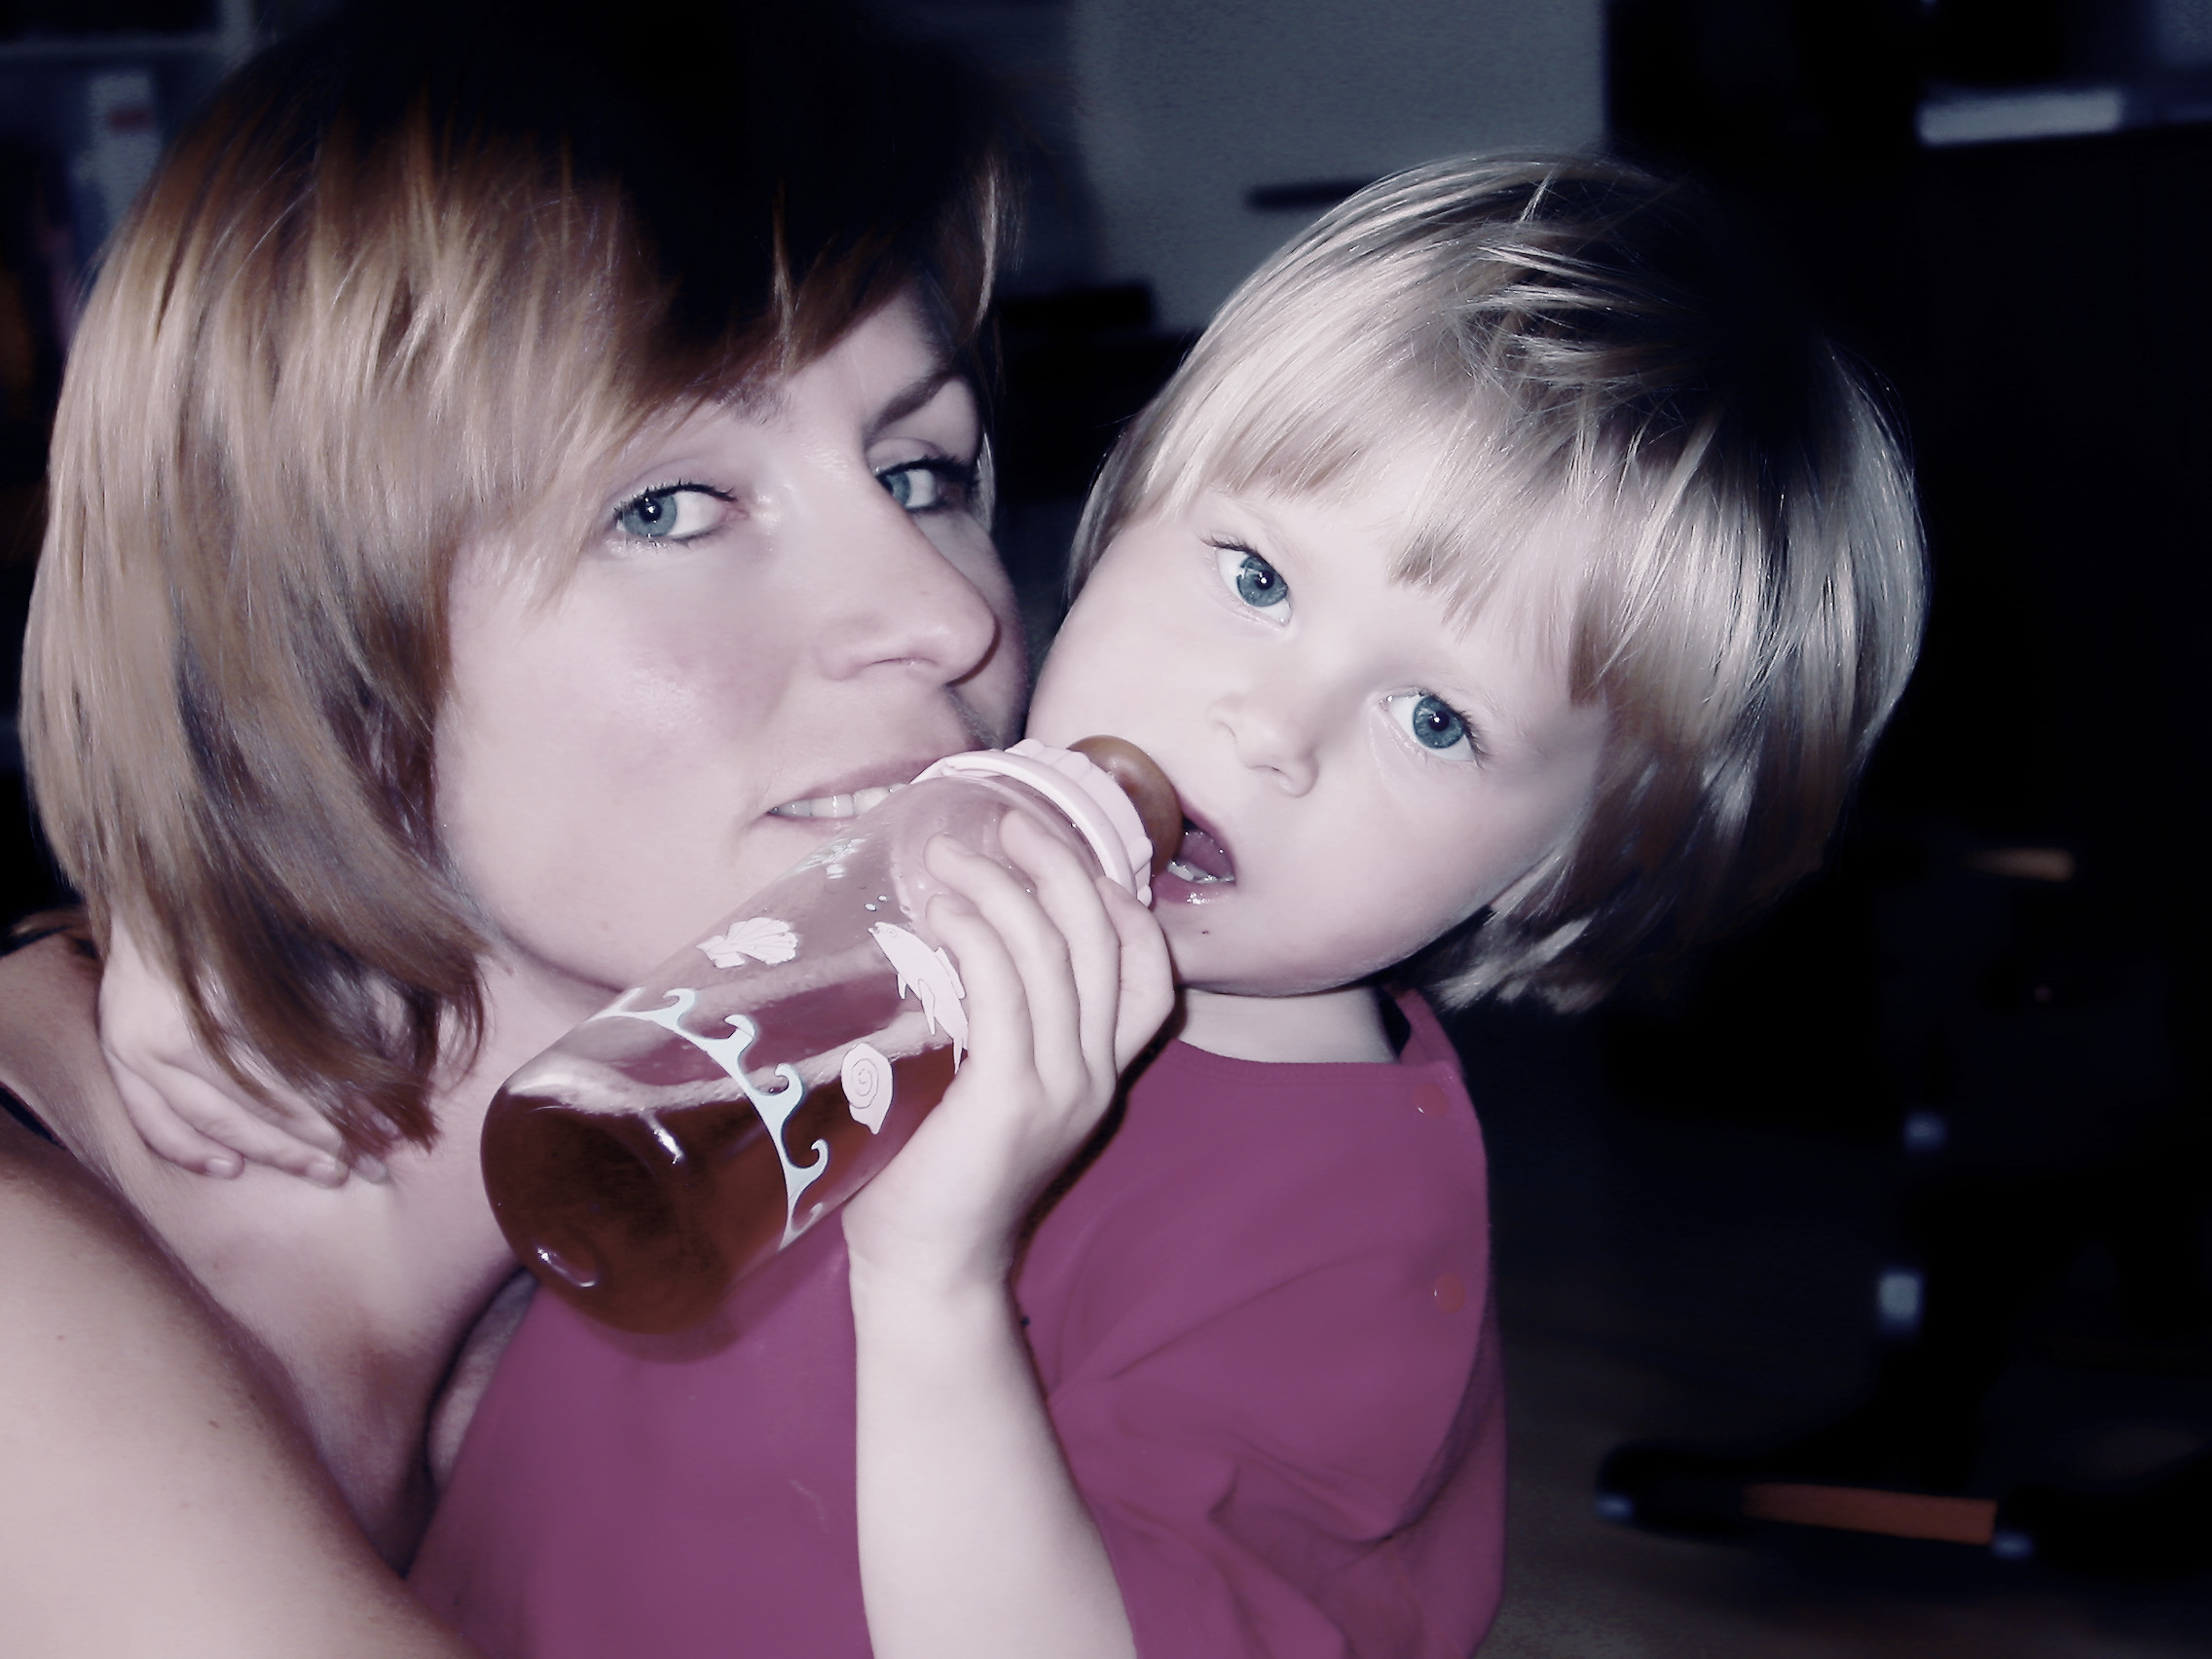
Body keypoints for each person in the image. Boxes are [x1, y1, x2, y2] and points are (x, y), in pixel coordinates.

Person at [350, 157, 1922, 1656]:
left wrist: (936, 1285)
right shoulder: (896, 853)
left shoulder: (1342, 1242)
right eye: (1256, 579)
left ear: (1567, 862)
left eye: (1436, 720)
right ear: (1124, 510)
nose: (1269, 730)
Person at [0, 1, 1110, 1651]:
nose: (947, 619)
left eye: (921, 473)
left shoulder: (742, 1186)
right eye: (670, 505)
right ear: (311, 633)